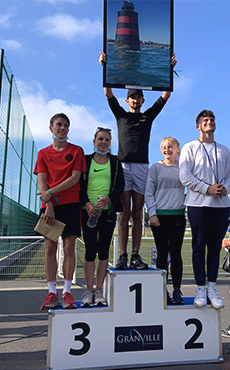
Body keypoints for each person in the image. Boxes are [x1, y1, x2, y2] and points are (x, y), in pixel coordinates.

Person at [99, 51, 177, 270]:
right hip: (123, 166)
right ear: (128, 100)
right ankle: (122, 255)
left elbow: (165, 96)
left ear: (143, 100)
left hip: (142, 167)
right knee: (123, 212)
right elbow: (108, 94)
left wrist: (169, 69)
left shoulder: (147, 116)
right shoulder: (121, 115)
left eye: (138, 97)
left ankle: (135, 255)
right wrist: (105, 65)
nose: (135, 99)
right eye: (132, 97)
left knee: (138, 213)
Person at [34, 113, 85, 311]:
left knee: (69, 248)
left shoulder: (77, 150)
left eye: (65, 125)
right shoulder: (43, 153)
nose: (62, 128)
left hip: (71, 203)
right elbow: (41, 179)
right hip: (49, 207)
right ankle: (51, 292)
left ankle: (67, 292)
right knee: (50, 248)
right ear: (51, 128)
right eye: (58, 125)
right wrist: (49, 204)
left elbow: (75, 178)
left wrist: (50, 194)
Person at [179, 110, 230, 309]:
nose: (209, 122)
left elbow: (228, 176)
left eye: (212, 120)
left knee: (215, 248)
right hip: (198, 204)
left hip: (222, 205)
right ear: (198, 126)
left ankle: (211, 286)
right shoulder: (190, 147)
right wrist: (207, 189)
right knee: (199, 247)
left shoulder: (224, 150)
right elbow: (185, 176)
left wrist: (224, 188)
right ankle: (200, 286)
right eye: (205, 120)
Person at [80, 127, 124, 306]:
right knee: (90, 250)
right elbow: (80, 187)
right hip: (88, 212)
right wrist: (87, 204)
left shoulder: (115, 162)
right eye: (100, 139)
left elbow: (120, 186)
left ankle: (99, 290)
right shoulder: (85, 161)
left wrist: (109, 198)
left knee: (104, 250)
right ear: (94, 141)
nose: (103, 142)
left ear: (110, 143)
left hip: (107, 212)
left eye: (107, 140)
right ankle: (88, 290)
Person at [145, 137, 186, 304]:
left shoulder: (184, 168)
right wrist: (152, 214)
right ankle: (162, 290)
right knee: (162, 253)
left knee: (176, 253)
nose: (167, 150)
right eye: (164, 147)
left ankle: (177, 290)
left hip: (177, 215)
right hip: (160, 217)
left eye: (170, 147)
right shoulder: (156, 168)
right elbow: (149, 192)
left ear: (177, 148)